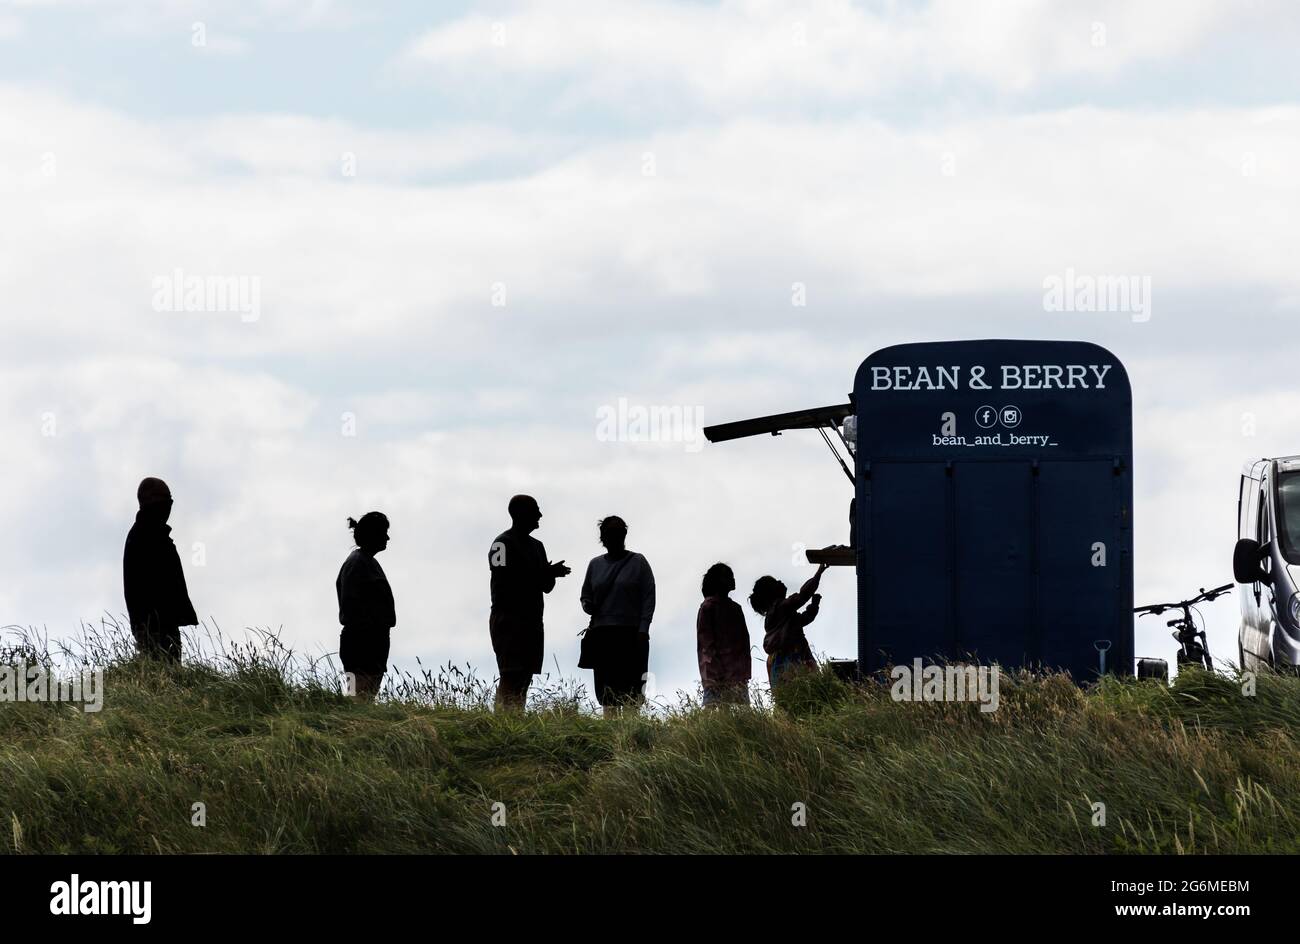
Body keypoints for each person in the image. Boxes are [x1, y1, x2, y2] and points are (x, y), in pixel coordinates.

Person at [488, 495, 571, 710]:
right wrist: (545, 572)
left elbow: (546, 586)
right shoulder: (501, 544)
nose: (540, 515)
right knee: (510, 673)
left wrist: (549, 574)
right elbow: (504, 580)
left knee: (525, 676)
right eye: (535, 510)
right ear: (521, 513)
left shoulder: (538, 546)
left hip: (532, 621)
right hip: (509, 620)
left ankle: (515, 719)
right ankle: (502, 722)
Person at [580, 516, 655, 717]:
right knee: (608, 695)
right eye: (610, 534)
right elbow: (585, 596)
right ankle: (612, 738)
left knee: (632, 693)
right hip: (603, 635)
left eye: (617, 533)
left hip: (632, 634)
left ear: (624, 535)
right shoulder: (594, 565)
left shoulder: (638, 562)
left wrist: (643, 629)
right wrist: (588, 606)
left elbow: (649, 597)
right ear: (603, 538)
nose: (613, 537)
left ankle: (631, 737)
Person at [123, 476, 198, 663]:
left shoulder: (151, 535)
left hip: (163, 627)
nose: (170, 505)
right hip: (155, 629)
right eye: (167, 500)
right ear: (153, 501)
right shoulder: (145, 537)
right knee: (164, 675)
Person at [336, 512, 396, 699]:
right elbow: (353, 609)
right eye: (383, 532)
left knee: (364, 700)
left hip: (370, 646)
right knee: (358, 700)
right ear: (373, 534)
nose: (387, 537)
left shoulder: (365, 562)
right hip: (362, 646)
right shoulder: (357, 564)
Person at [750, 563, 829, 690]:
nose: (781, 582)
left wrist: (814, 605)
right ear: (771, 593)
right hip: (793, 660)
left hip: (780, 663)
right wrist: (819, 573)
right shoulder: (780, 607)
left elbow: (803, 619)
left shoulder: (778, 614)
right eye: (776, 583)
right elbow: (803, 596)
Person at [696, 562, 751, 706]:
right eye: (728, 576)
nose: (733, 580)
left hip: (738, 675)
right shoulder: (708, 608)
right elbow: (706, 645)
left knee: (741, 718)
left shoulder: (736, 609)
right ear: (717, 581)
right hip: (716, 675)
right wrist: (712, 675)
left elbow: (744, 643)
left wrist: (744, 673)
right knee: (714, 714)